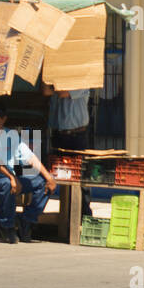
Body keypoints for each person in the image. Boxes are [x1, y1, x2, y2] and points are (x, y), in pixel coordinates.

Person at [0, 102, 56, 244]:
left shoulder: (11, 136)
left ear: (3, 119)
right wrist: (12, 178)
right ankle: (6, 225)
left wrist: (49, 178)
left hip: (10, 178)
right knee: (6, 183)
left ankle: (27, 220)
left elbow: (30, 157)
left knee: (41, 182)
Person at [45, 83, 92, 216]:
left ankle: (84, 214)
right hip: (59, 134)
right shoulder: (57, 81)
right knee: (57, 174)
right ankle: (67, 214)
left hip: (77, 135)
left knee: (80, 176)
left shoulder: (83, 80)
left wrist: (53, 86)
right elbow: (46, 91)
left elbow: (63, 93)